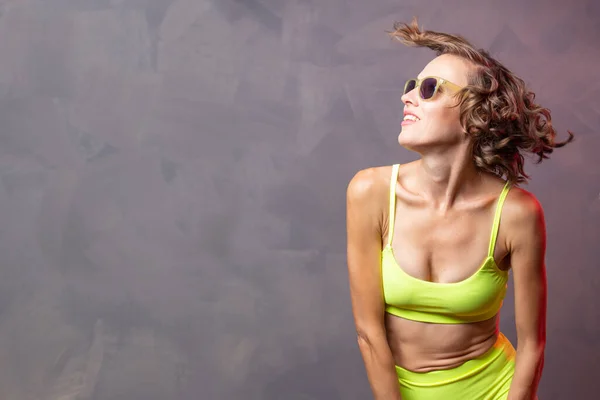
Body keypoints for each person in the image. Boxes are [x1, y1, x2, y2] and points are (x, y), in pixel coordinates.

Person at [345, 18, 573, 400]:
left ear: (476, 114)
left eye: (430, 89)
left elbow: (533, 344)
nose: (408, 97)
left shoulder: (516, 214)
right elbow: (369, 333)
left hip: (495, 388)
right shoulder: (369, 192)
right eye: (411, 86)